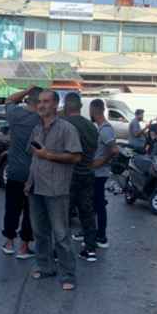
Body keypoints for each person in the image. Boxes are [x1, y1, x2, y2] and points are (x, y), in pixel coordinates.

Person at [26, 90, 83, 291]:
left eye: (46, 101)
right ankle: (46, 267)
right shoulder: (37, 128)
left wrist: (48, 155)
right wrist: (29, 182)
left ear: (56, 104)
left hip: (56, 189)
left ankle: (68, 275)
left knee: (61, 234)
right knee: (39, 232)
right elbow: (34, 156)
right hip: (36, 187)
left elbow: (76, 156)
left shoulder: (67, 128)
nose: (41, 105)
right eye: (39, 102)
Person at [0, 86, 42, 259]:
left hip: (15, 171)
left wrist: (26, 90)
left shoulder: (15, 114)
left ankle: (9, 242)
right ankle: (24, 247)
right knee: (30, 211)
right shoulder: (42, 119)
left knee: (12, 208)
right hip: (35, 173)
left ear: (28, 100)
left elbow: (9, 100)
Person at [62, 92, 99, 262]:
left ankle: (59, 252)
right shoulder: (91, 127)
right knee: (87, 213)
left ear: (66, 106)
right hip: (87, 173)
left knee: (62, 215)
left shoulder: (64, 124)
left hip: (68, 175)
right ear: (81, 106)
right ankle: (90, 249)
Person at [90, 99, 119, 249]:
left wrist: (100, 162)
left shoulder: (105, 129)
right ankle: (93, 232)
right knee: (95, 204)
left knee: (99, 205)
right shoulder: (101, 128)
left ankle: (101, 236)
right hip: (97, 172)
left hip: (99, 173)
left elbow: (114, 150)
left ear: (93, 110)